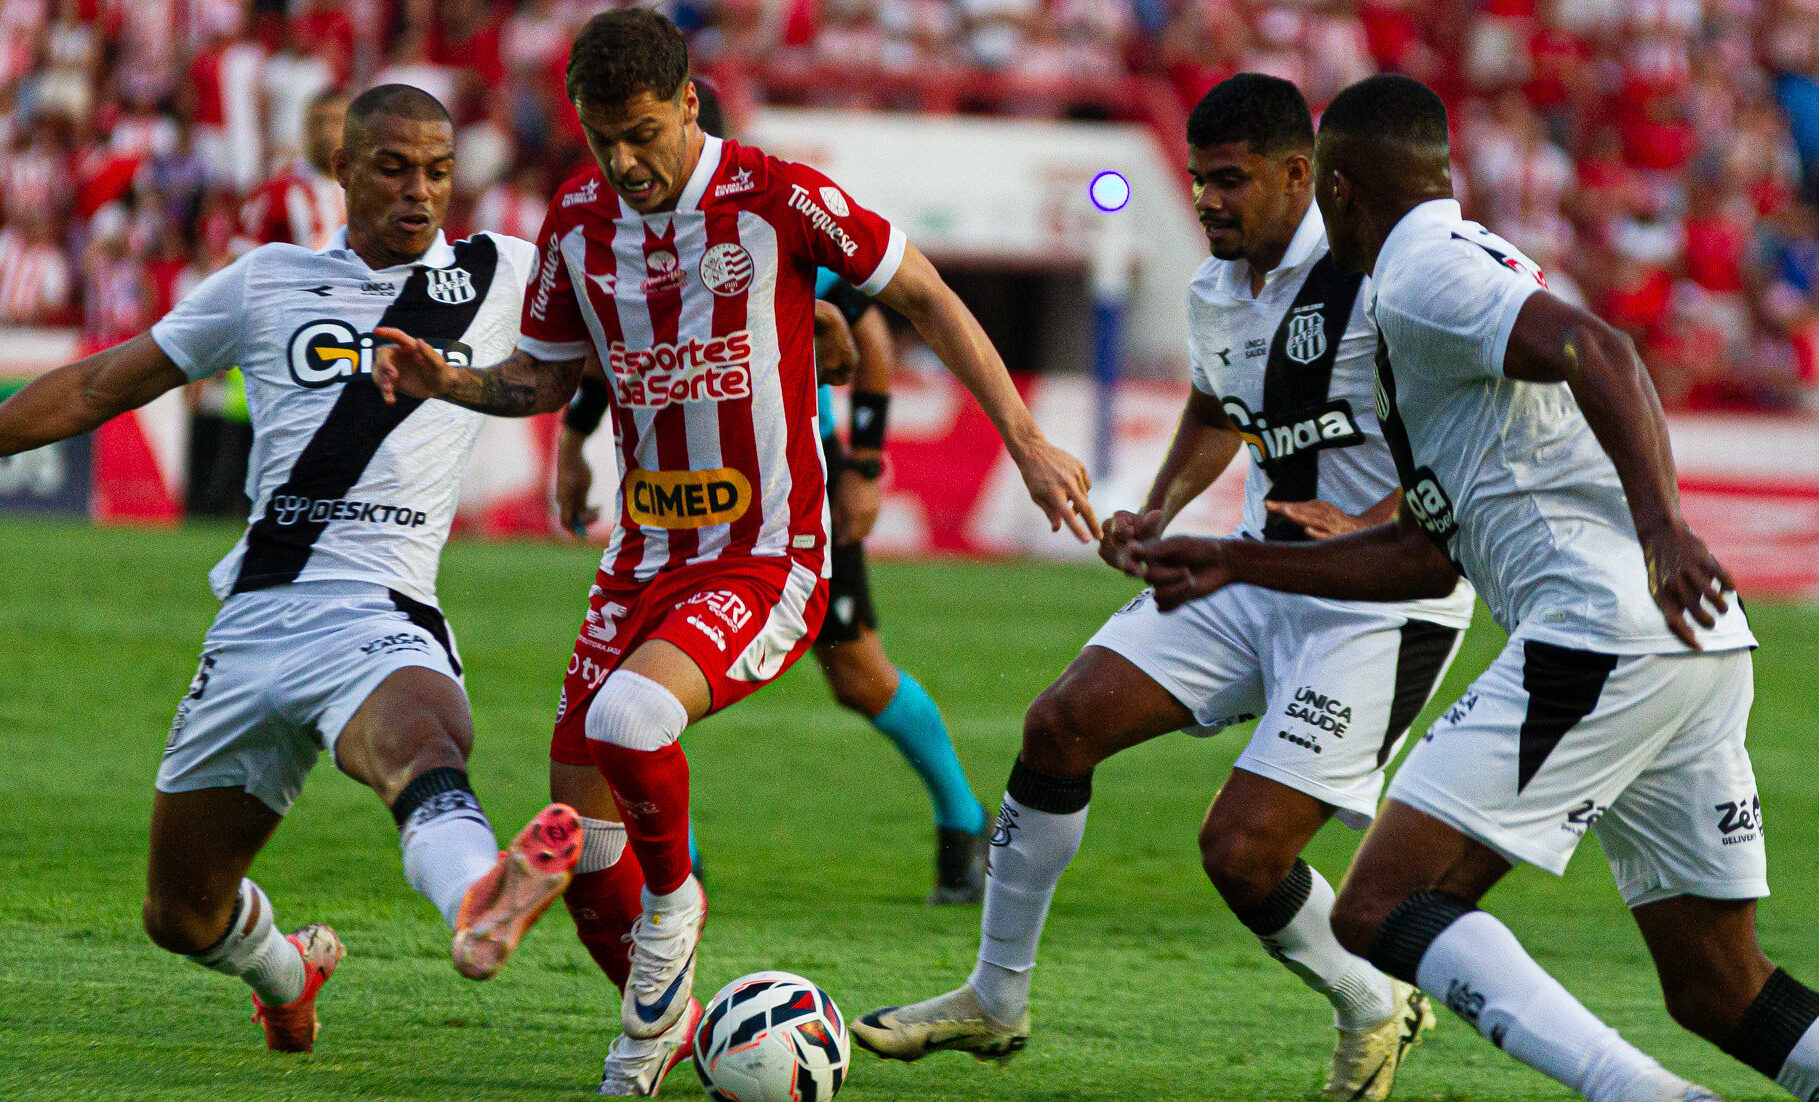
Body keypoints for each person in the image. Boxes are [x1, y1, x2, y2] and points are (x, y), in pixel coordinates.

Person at [372, 10, 1098, 1096]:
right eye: (602, 138)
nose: (624, 162)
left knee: (633, 722)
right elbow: (546, 376)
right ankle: (663, 1028)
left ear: (689, 108)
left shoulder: (776, 196)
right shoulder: (576, 218)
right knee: (589, 851)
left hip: (765, 555)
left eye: (644, 134)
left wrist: (1027, 439)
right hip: (640, 560)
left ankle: (681, 912)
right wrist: (454, 383)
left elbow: (921, 297)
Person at [1132, 73, 1819, 1102]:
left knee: (1378, 904)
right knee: (1716, 984)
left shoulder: (1420, 276)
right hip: (1691, 649)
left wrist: (1662, 527)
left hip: (1600, 631)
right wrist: (1236, 558)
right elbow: (1420, 553)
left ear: (1337, 188)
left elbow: (1602, 347)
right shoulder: (1441, 284)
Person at [851, 73, 1470, 1101]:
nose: (1207, 202)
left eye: (1229, 181)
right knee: (1059, 724)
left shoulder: (1379, 276)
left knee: (1239, 851)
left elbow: (1465, 426)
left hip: (1378, 602)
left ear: (1295, 174)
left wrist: (1366, 521)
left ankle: (1373, 1000)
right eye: (1197, 182)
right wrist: (1160, 508)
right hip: (1252, 568)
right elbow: (1219, 400)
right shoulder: (1216, 286)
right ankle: (992, 998)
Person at [0, 84, 581, 1056]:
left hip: (380, 606)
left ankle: (479, 893)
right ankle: (285, 971)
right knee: (180, 909)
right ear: (344, 170)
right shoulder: (264, 280)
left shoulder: (502, 274)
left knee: (424, 742)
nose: (419, 192)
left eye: (437, 171)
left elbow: (591, 356)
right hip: (256, 619)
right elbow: (106, 381)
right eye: (394, 167)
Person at [552, 79, 991, 908]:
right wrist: (574, 444)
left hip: (796, 487)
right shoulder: (621, 240)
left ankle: (963, 823)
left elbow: (867, 324)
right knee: (649, 696)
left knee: (858, 674)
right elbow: (603, 351)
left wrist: (863, 462)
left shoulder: (762, 216)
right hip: (685, 505)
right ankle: (676, 876)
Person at [239, 88, 351, 250]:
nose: (326, 132)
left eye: (336, 121)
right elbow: (247, 258)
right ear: (305, 128)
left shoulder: (367, 190)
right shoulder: (277, 193)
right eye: (318, 122)